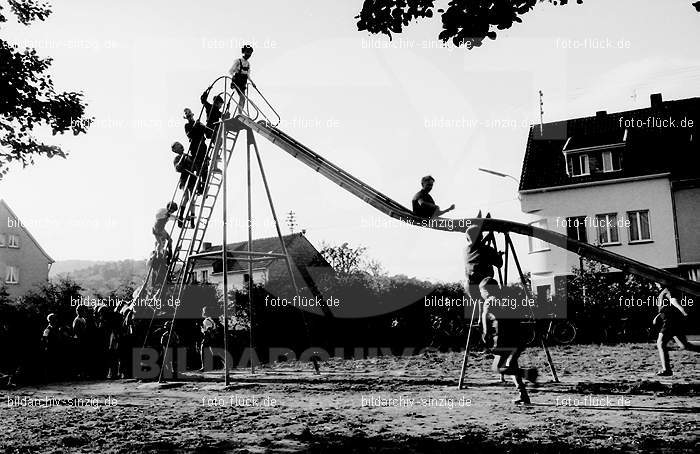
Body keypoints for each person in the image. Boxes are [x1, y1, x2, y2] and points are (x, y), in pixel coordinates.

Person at [480, 278, 536, 405]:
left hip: (504, 342)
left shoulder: (489, 301)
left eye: (481, 291)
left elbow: (485, 322)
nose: (481, 295)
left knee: (498, 367)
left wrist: (485, 334)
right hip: (518, 339)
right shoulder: (508, 298)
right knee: (512, 366)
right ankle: (523, 395)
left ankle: (529, 374)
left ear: (486, 291)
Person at [653, 285, 700, 376]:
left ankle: (666, 370)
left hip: (670, 322)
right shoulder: (664, 291)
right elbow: (666, 307)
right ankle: (666, 370)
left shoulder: (669, 290)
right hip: (671, 321)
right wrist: (657, 317)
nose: (656, 283)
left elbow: (674, 301)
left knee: (660, 343)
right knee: (684, 345)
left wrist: (683, 310)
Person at [184, 107, 210, 194]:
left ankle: (204, 186)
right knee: (199, 168)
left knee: (205, 167)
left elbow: (207, 131)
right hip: (195, 148)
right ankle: (199, 187)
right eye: (188, 117)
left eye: (190, 115)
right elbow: (190, 135)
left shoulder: (199, 123)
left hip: (202, 146)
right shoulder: (187, 126)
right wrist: (195, 126)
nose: (189, 117)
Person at [172, 141, 196, 228]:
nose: (180, 145)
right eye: (177, 145)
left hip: (192, 179)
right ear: (175, 150)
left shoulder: (189, 156)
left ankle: (192, 220)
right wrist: (183, 158)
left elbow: (195, 165)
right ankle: (181, 217)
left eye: (180, 144)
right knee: (186, 197)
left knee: (192, 199)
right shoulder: (177, 158)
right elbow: (177, 168)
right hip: (185, 179)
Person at [228, 44, 256, 116]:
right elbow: (230, 71)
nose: (248, 54)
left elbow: (247, 75)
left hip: (243, 83)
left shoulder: (248, 64)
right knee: (241, 97)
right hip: (237, 81)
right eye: (247, 52)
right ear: (243, 52)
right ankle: (239, 113)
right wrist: (233, 76)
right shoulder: (238, 61)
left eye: (250, 53)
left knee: (244, 99)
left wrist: (252, 82)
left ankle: (240, 113)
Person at [198, 307, 217, 372]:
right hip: (210, 338)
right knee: (211, 351)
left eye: (203, 311)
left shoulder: (206, 321)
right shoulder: (211, 320)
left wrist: (205, 337)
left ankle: (204, 367)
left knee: (203, 351)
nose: (203, 312)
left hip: (207, 337)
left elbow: (209, 330)